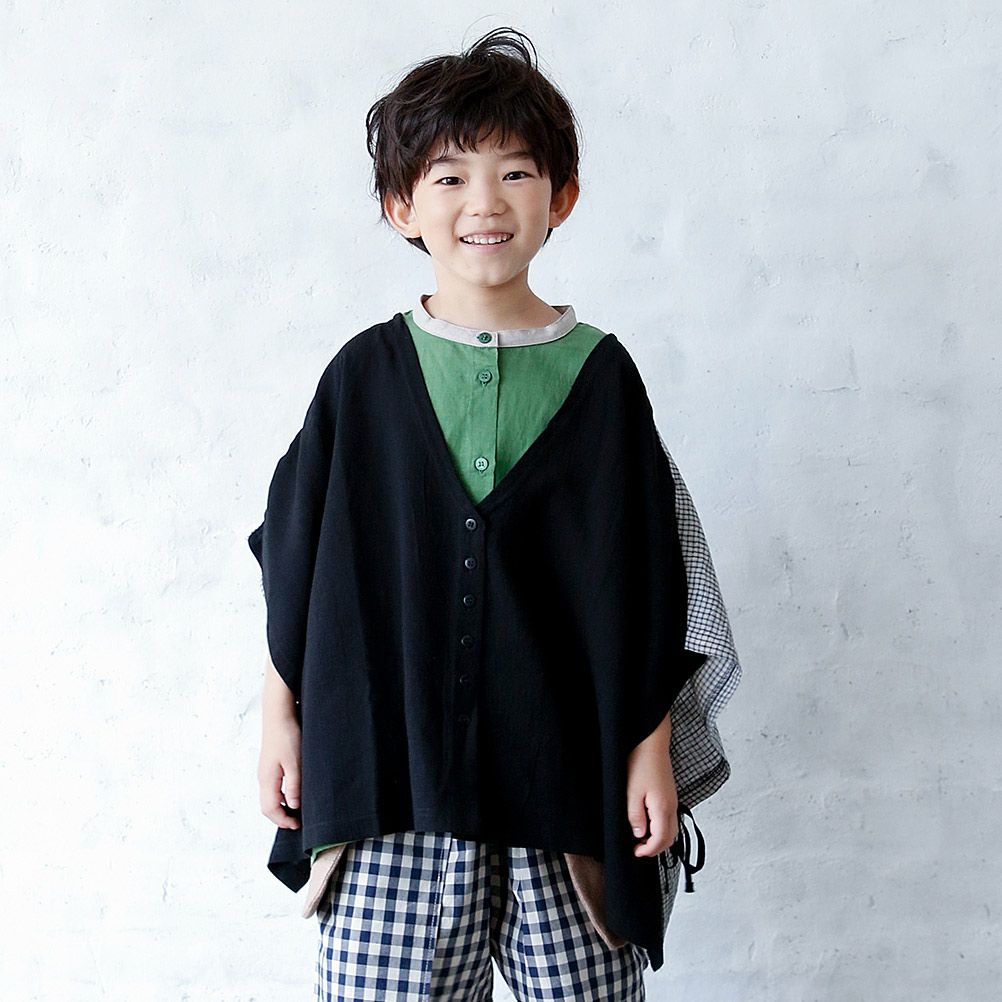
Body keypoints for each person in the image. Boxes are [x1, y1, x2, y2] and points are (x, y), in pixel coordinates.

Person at [249, 25, 742, 1001]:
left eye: (516, 173)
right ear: (401, 207)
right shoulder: (362, 377)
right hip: (392, 799)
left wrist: (650, 747)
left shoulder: (601, 378)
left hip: (568, 800)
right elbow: (299, 560)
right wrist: (279, 720)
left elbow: (651, 578)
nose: (485, 202)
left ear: (562, 198)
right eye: (449, 177)